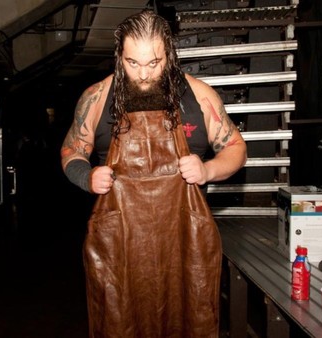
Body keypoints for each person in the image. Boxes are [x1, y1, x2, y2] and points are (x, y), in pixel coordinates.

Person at [60, 9, 247, 337]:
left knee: (191, 322)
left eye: (154, 63)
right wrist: (85, 177)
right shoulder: (96, 97)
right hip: (119, 244)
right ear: (120, 56)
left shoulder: (201, 96)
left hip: (184, 241)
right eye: (133, 64)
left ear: (169, 56)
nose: (144, 75)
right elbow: (70, 151)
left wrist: (207, 169)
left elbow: (236, 149)